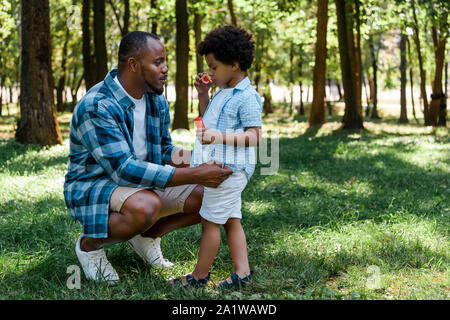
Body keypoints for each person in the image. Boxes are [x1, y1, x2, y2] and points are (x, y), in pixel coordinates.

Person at [63, 31, 232, 283]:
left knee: (211, 192)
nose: (165, 69)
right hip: (96, 185)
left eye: (165, 61)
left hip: (140, 181)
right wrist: (197, 173)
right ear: (133, 64)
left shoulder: (155, 99)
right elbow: (123, 170)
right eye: (158, 62)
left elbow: (163, 151)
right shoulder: (97, 106)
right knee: (147, 205)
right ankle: (90, 246)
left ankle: (147, 236)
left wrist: (199, 159)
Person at [169, 25, 262, 289]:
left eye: (214, 67)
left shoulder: (246, 97)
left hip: (228, 171)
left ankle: (198, 277)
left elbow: (255, 136)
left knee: (209, 222)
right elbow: (206, 123)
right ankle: (242, 274)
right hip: (219, 168)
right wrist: (202, 96)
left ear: (234, 64)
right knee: (232, 220)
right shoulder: (222, 93)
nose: (210, 72)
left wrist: (218, 137)